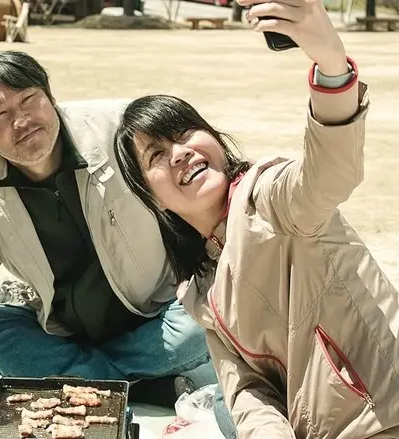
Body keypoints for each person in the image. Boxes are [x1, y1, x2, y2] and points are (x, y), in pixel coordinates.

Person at [114, 1, 399, 436]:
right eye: (156, 154)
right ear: (153, 201)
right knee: (229, 406)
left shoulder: (267, 197)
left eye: (185, 133)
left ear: (214, 139)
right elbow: (247, 389)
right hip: (311, 426)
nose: (180, 153)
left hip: (381, 414)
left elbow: (329, 173)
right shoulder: (198, 289)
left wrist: (331, 65)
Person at [0, 50, 220, 408]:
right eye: (0, 115)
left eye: (29, 99)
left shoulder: (121, 129)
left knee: (208, 316)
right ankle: (138, 385)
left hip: (157, 313)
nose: (22, 120)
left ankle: (88, 379)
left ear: (50, 96)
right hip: (64, 332)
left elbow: (191, 165)